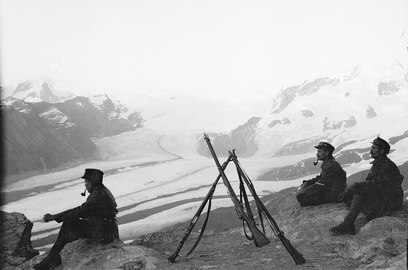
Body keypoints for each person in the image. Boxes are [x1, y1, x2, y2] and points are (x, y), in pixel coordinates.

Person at [33, 168, 119, 270]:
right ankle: (53, 257)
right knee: (71, 222)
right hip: (107, 229)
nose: (85, 185)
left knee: (68, 224)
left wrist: (54, 217)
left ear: (92, 182)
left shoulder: (97, 196)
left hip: (104, 233)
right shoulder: (102, 191)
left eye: (86, 181)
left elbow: (79, 211)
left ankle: (52, 258)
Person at [330, 137, 404, 235]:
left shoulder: (386, 166)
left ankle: (348, 224)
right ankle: (369, 213)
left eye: (374, 148)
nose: (371, 151)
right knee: (349, 199)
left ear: (381, 151)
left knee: (357, 195)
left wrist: (354, 188)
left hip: (391, 201)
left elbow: (375, 185)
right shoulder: (379, 163)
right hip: (383, 197)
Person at [296, 142, 347, 206]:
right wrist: (308, 182)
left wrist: (305, 191)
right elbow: (320, 178)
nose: (317, 154)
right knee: (304, 192)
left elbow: (320, 184)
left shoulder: (330, 165)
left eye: (319, 152)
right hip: (331, 191)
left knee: (302, 198)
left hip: (333, 195)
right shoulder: (328, 163)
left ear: (326, 153)